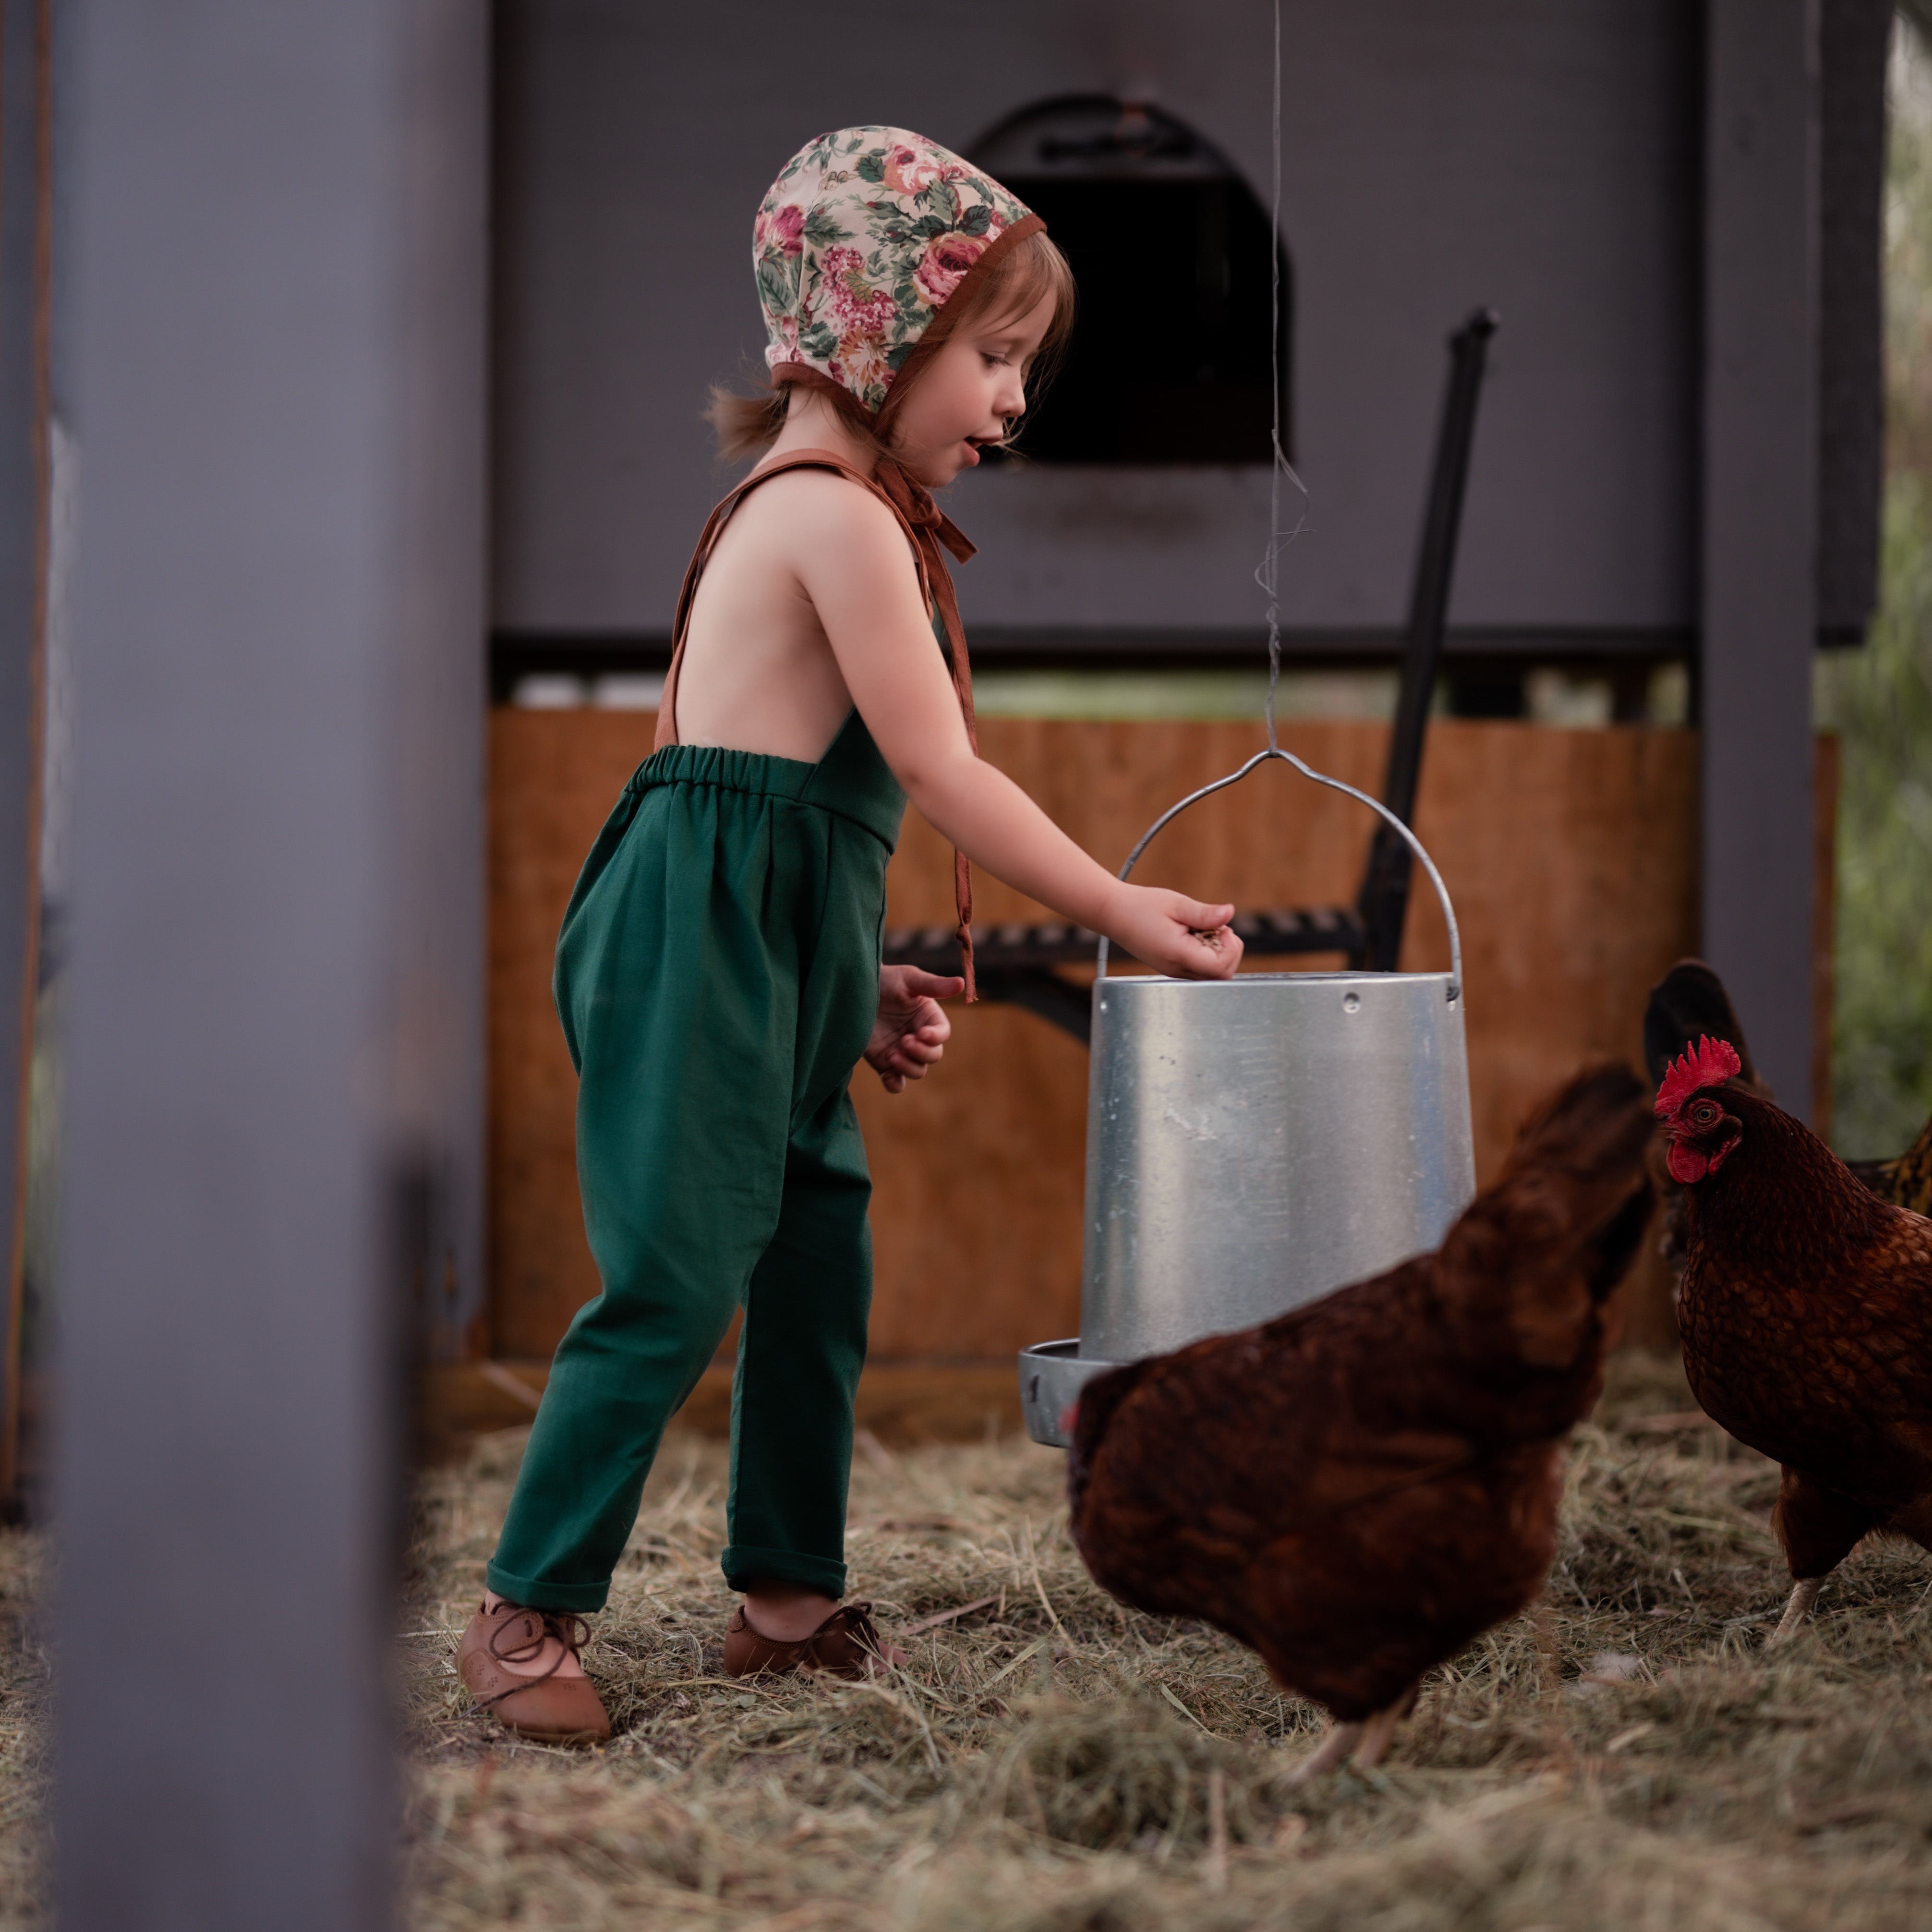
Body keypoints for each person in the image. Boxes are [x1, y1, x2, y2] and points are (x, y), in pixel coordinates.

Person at [458, 126, 1244, 1743]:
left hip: (758, 941)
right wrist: (1116, 908)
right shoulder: (835, 517)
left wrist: (847, 980)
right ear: (884, 332)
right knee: (678, 1276)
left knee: (817, 1262)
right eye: (998, 355)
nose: (1016, 400)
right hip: (693, 948)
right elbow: (931, 771)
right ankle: (523, 1610)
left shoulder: (839, 506)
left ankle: (789, 1601)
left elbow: (787, 818)